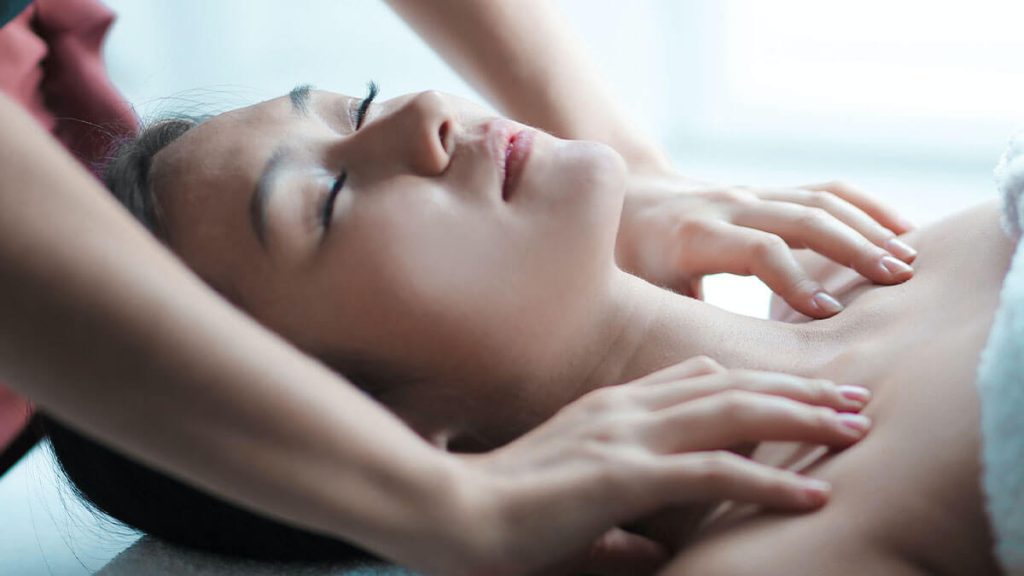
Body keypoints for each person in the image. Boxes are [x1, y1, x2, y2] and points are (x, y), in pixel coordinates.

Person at [0, 1, 915, 574]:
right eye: (328, 202)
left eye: (356, 106)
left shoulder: (867, 259)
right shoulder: (796, 540)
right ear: (400, 433)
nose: (426, 115)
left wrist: (636, 163)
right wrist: (437, 504)